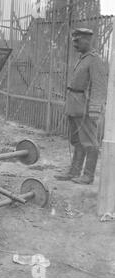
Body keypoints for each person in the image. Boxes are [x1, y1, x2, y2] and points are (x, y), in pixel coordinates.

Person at [55, 28, 108, 185]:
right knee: (78, 140)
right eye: (73, 40)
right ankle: (74, 172)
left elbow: (99, 86)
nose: (74, 44)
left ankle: (88, 176)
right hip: (75, 105)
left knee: (90, 142)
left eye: (77, 41)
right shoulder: (83, 58)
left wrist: (94, 109)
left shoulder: (94, 60)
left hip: (85, 108)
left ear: (87, 40)